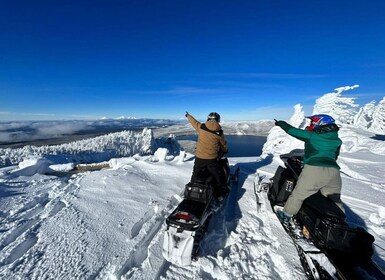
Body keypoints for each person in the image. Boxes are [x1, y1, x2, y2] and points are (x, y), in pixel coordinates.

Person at [274, 114, 343, 220]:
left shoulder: (312, 135)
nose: (310, 124)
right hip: (334, 172)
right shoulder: (337, 140)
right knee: (334, 199)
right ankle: (339, 222)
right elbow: (335, 156)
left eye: (312, 122)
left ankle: (286, 215)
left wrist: (280, 123)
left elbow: (292, 130)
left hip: (314, 169)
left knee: (299, 194)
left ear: (320, 123)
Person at [185, 111, 229, 200]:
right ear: (218, 120)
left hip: (199, 158)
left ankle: (192, 190)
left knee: (195, 173)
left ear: (208, 118)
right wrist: (224, 150)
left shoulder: (202, 127)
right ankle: (219, 194)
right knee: (217, 175)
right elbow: (223, 144)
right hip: (211, 159)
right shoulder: (219, 132)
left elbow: (194, 122)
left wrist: (188, 116)